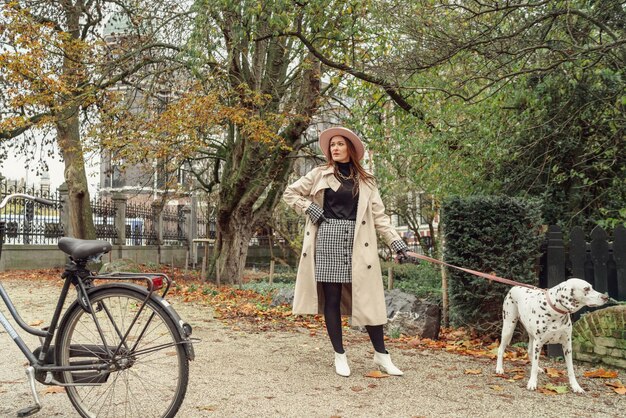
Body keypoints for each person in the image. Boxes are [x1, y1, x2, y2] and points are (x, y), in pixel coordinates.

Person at [283, 126, 409, 377]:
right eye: (332, 145)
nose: (335, 148)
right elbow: (290, 192)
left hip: (358, 242)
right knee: (332, 298)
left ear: (350, 148)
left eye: (340, 144)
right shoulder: (319, 174)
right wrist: (308, 207)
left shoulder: (366, 180)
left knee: (369, 298)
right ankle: (339, 355)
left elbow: (379, 216)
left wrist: (395, 242)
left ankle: (382, 355)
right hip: (327, 238)